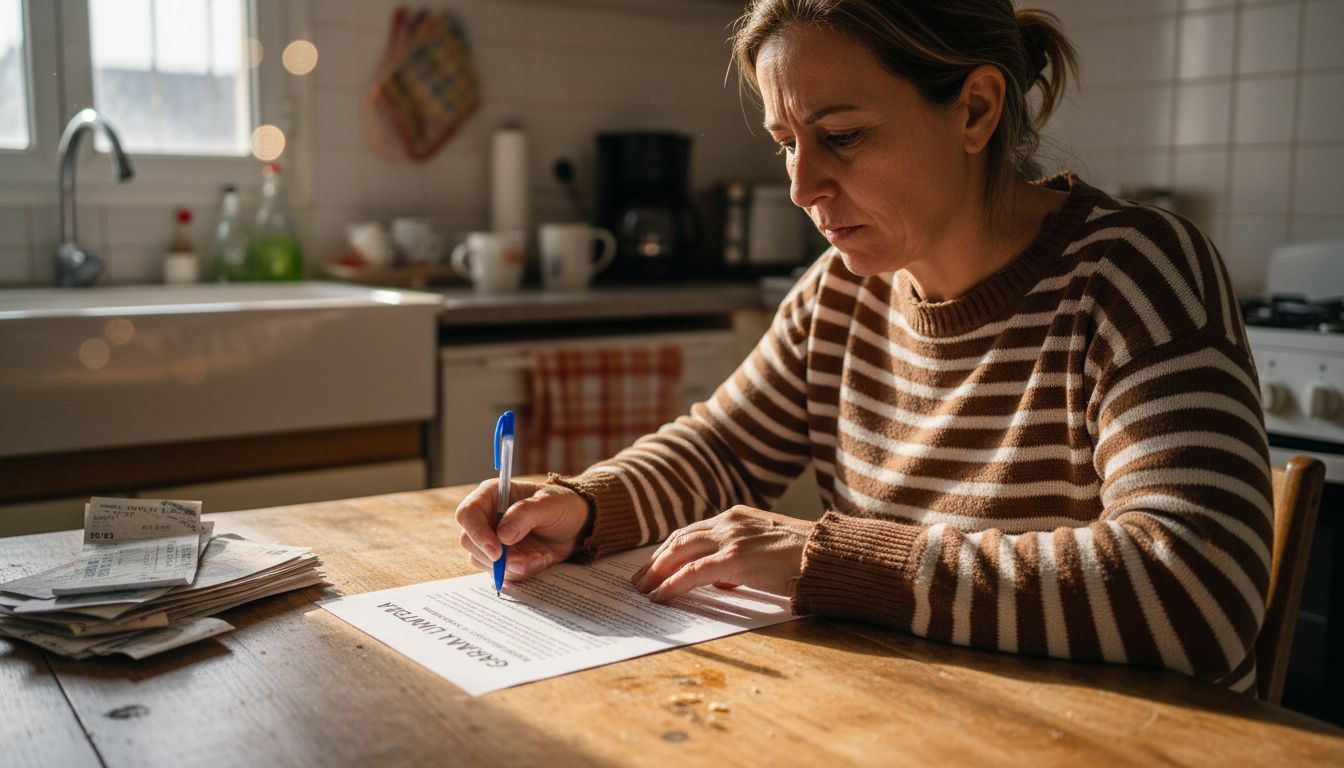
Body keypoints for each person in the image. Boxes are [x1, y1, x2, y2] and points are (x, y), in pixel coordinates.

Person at [455, 0, 1272, 692]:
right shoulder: (840, 292)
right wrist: (587, 506)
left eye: (841, 136)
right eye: (786, 142)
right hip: (907, 715)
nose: (800, 186)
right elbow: (723, 450)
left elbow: (1200, 592)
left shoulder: (1133, 273)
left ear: (976, 110)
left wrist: (828, 558)